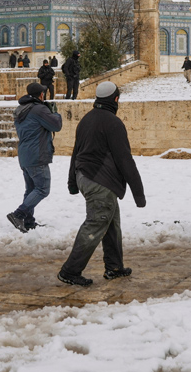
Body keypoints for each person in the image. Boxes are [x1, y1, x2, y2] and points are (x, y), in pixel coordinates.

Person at [59, 81, 145, 286]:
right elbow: (125, 159)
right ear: (115, 99)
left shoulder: (86, 120)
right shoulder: (113, 123)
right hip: (100, 181)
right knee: (96, 223)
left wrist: (72, 182)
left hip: (85, 176)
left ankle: (114, 267)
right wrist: (139, 194)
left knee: (111, 222)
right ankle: (70, 271)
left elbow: (75, 152)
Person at [7, 83, 63, 233]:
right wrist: (55, 113)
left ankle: (28, 221)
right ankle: (18, 215)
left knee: (31, 189)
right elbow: (56, 125)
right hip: (37, 155)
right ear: (41, 95)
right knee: (43, 189)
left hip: (25, 155)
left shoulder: (21, 110)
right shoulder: (39, 109)